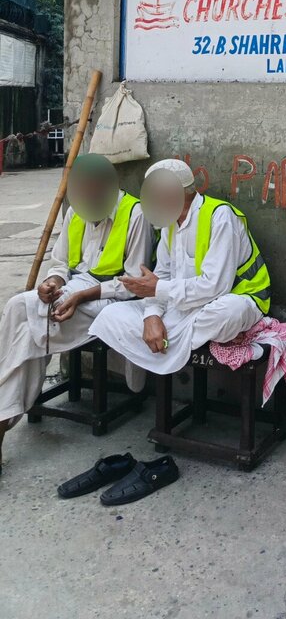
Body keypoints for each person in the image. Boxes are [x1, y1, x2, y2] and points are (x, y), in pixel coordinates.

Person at [0, 154, 154, 471]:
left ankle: (3, 421)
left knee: (32, 332)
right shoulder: (75, 212)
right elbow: (61, 265)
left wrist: (81, 296)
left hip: (110, 298)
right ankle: (6, 407)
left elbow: (133, 284)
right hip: (75, 289)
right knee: (19, 305)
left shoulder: (135, 213)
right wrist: (51, 283)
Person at [90, 159, 271, 376]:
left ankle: (173, 338)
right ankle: (185, 336)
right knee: (111, 314)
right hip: (184, 308)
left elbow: (216, 287)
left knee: (227, 313)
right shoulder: (168, 221)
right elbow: (162, 275)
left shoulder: (220, 216)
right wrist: (152, 316)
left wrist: (158, 289)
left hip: (229, 300)